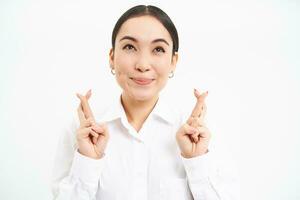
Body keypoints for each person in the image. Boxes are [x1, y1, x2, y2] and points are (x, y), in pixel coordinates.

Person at [52, 5, 240, 200]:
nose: (142, 64)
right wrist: (88, 161)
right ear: (111, 57)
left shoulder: (201, 133)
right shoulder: (82, 130)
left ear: (173, 61)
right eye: (129, 47)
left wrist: (197, 160)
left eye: (158, 49)